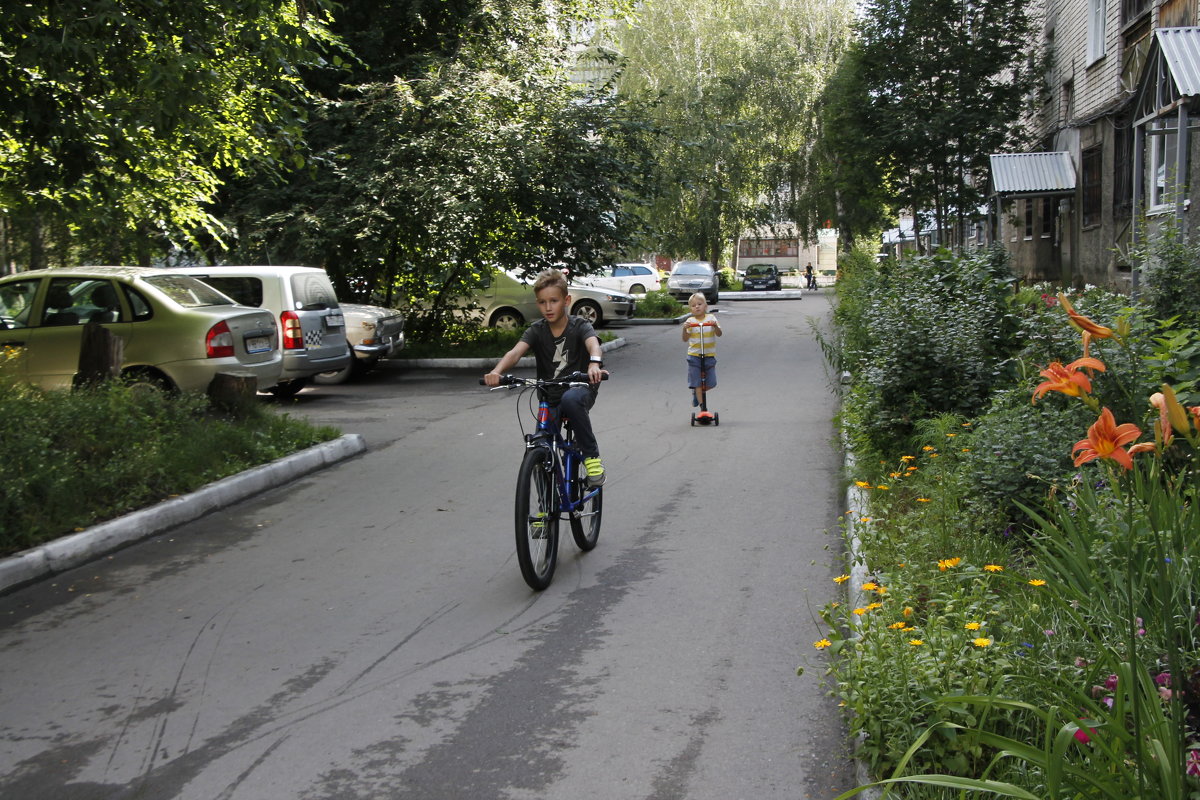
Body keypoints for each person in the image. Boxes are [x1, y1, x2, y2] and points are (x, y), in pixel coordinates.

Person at [484, 269, 607, 486]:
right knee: (540, 446)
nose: (548, 308)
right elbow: (515, 353)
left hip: (579, 388)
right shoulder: (536, 330)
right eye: (542, 302)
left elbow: (593, 344)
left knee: (570, 400)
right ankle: (543, 511)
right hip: (548, 394)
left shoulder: (579, 325)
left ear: (566, 300)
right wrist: (496, 372)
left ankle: (591, 458)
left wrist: (594, 362)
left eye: (554, 301)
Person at [682, 292, 722, 409]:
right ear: (690, 309)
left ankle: (696, 393)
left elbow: (719, 334)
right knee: (697, 382)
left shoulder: (711, 318)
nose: (697, 307)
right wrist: (684, 329)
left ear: (705, 306)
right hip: (694, 355)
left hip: (709, 355)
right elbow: (685, 339)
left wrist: (715, 326)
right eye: (694, 305)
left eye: (699, 304)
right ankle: (703, 407)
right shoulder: (690, 321)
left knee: (711, 382)